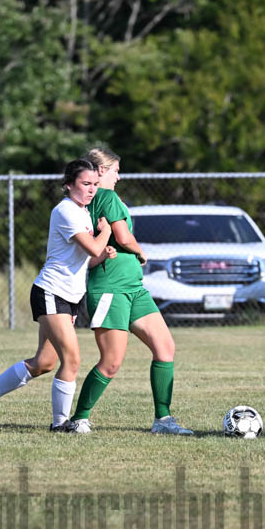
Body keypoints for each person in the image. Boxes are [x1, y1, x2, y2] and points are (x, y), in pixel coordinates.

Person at [0, 158, 113, 431]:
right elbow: (92, 247)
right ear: (69, 185)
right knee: (72, 359)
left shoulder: (83, 213)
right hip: (51, 291)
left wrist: (102, 253)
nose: (92, 189)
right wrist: (105, 233)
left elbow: (87, 258)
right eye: (85, 183)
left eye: (95, 184)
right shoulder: (66, 210)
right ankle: (60, 424)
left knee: (45, 362)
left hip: (69, 296)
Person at [69, 147, 193, 435]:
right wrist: (141, 251)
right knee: (111, 362)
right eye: (114, 170)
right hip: (110, 287)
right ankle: (79, 418)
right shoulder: (107, 196)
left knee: (165, 347)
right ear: (100, 172)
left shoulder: (99, 199)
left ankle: (163, 420)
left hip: (133, 288)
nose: (119, 176)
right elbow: (123, 236)